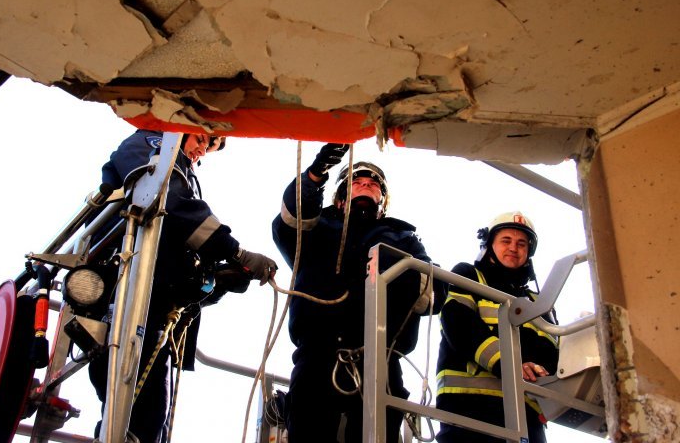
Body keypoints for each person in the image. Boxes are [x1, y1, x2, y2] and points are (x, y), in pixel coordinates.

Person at [88, 129, 278, 443]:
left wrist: (219, 279)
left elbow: (178, 268)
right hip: (124, 294)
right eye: (201, 139)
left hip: (155, 310)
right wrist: (235, 252)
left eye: (209, 145)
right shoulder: (153, 144)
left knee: (151, 423)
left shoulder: (184, 177)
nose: (203, 149)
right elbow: (169, 200)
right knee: (133, 416)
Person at [272, 143, 440, 442]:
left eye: (373, 184)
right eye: (357, 183)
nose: (366, 186)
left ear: (382, 201)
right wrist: (314, 176)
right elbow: (290, 222)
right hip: (317, 356)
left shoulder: (404, 239)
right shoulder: (316, 229)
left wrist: (394, 270)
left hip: (382, 362)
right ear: (339, 199)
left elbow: (434, 291)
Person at [434, 211, 559, 442]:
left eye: (521, 243)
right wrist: (511, 364)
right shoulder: (468, 275)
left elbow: (550, 352)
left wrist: (530, 366)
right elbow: (460, 326)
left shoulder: (539, 302)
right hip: (467, 412)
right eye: (506, 241)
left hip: (528, 418)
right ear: (489, 245)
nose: (514, 248)